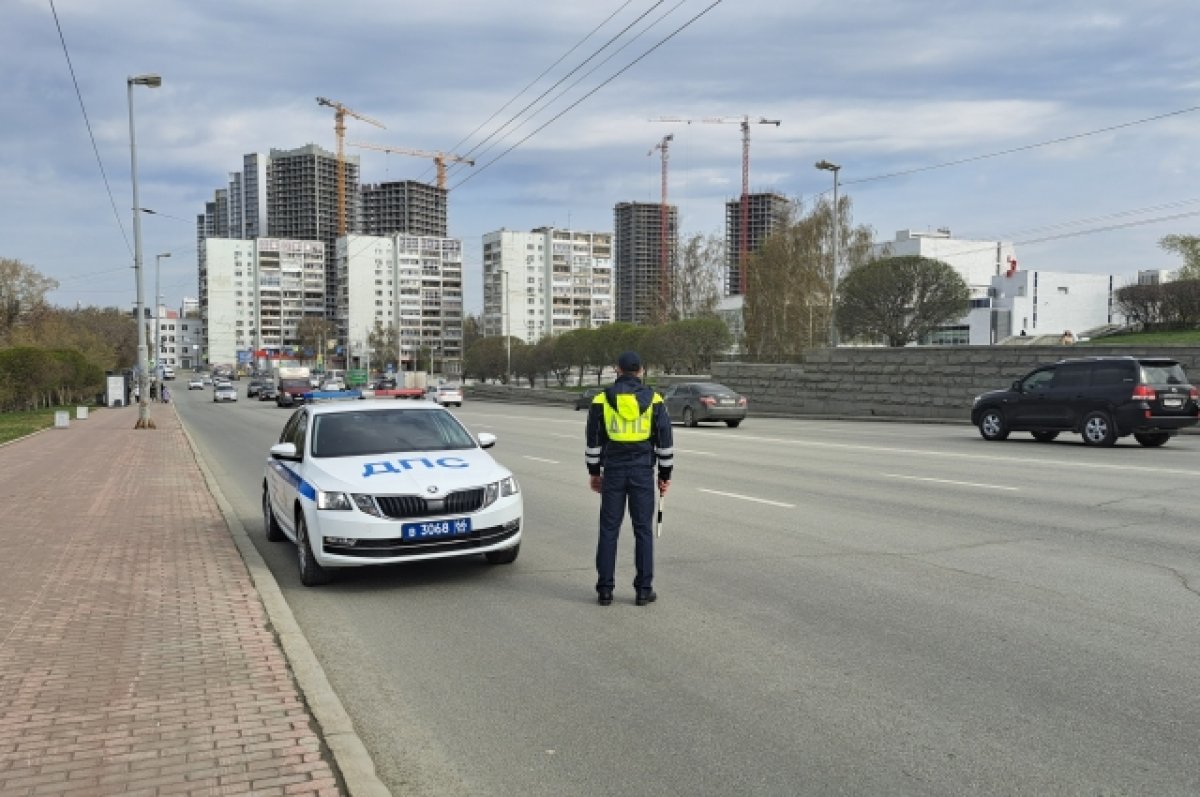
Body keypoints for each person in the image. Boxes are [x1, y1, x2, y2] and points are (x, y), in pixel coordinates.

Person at [584, 351, 673, 606]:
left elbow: (593, 442)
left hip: (613, 471)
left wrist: (594, 472)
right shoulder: (655, 400)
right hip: (642, 472)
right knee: (643, 531)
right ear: (641, 371)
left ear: (617, 370)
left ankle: (605, 590)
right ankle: (644, 590)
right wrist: (664, 476)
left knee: (609, 530)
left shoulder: (601, 400)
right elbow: (665, 444)